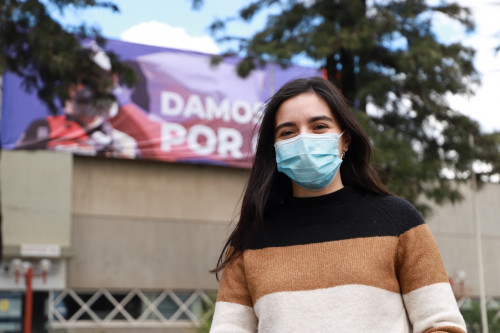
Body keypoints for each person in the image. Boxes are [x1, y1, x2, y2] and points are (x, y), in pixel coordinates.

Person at [209, 77, 466, 332]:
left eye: (319, 126)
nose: (304, 140)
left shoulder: (399, 222)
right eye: (288, 132)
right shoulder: (250, 238)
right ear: (275, 149)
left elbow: (443, 324)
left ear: (345, 140)